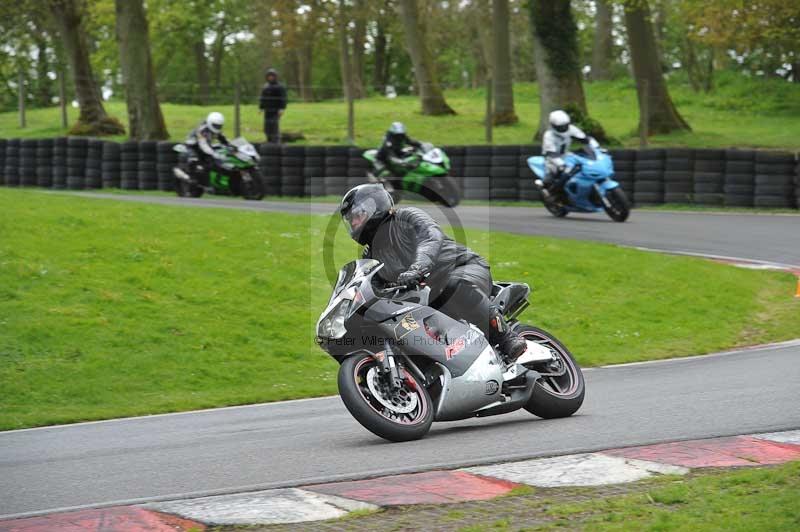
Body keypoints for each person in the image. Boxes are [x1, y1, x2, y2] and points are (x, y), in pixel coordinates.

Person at [339, 184, 527, 364]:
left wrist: (418, 267)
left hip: (462, 267)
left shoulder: (406, 216)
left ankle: (507, 337)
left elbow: (431, 237)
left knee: (454, 286)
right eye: (349, 220)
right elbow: (372, 287)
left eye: (355, 216)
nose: (353, 223)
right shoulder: (370, 254)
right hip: (430, 295)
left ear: (373, 206)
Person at [540, 110, 597, 196]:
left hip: (566, 155)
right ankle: (551, 193)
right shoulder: (549, 135)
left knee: (583, 166)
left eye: (565, 126)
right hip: (552, 159)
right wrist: (561, 164)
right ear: (553, 126)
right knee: (561, 172)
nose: (563, 128)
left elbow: (585, 139)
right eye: (561, 127)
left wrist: (597, 148)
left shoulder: (571, 129)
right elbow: (551, 153)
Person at [184, 111, 231, 178]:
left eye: (219, 126)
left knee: (215, 158)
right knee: (194, 160)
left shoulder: (216, 130)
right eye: (215, 126)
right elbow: (203, 145)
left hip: (205, 145)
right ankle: (190, 178)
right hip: (193, 146)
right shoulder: (202, 129)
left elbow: (223, 138)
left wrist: (231, 145)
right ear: (210, 122)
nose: (217, 127)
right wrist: (213, 153)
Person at [259, 68, 287, 143]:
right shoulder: (265, 87)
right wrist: (261, 108)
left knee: (274, 126)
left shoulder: (280, 87)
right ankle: (269, 140)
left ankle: (276, 142)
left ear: (275, 77)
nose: (270, 77)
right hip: (267, 110)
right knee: (266, 127)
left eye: (272, 76)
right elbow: (262, 98)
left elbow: (283, 98)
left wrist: (282, 108)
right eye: (269, 76)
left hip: (276, 110)